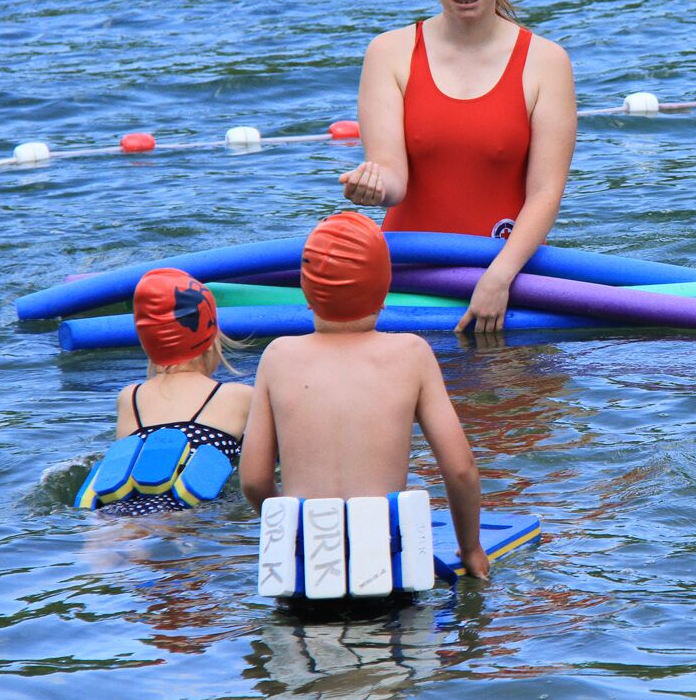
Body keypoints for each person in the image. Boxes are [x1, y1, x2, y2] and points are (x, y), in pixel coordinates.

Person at [339, 0, 577, 334]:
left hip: (511, 278)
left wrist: (499, 277)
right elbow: (394, 177)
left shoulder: (546, 61)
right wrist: (372, 187)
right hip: (406, 279)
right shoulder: (388, 53)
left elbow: (545, 193)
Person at [239, 211, 490, 578]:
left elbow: (253, 482)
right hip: (384, 565)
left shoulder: (277, 357)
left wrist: (299, 536)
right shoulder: (411, 354)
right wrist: (471, 548)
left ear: (307, 292)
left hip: (308, 572)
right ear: (384, 291)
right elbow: (461, 470)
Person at [100, 268, 253, 516]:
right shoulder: (237, 396)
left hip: (117, 515)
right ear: (210, 333)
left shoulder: (130, 397)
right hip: (189, 519)